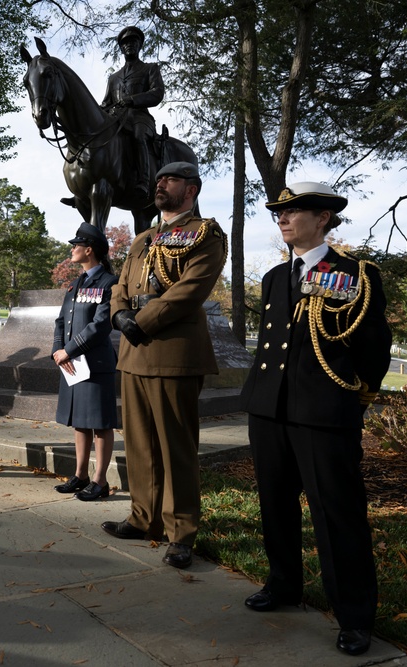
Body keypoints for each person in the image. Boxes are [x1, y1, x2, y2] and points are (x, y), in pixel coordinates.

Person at [240, 182, 391, 656]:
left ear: (323, 217)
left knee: (338, 514)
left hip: (324, 412)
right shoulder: (272, 278)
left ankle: (353, 614)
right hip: (270, 409)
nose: (282, 219)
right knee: (275, 504)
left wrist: (355, 399)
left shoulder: (355, 274)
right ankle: (284, 584)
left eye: (293, 211)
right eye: (278, 213)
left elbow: (373, 347)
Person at [104, 162, 227, 570]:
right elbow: (120, 284)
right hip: (134, 349)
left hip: (173, 349)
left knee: (176, 448)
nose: (159, 183)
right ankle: (144, 518)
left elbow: (190, 290)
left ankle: (181, 533)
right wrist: (119, 315)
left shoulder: (206, 234)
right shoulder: (144, 236)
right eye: (157, 178)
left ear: (190, 189)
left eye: (169, 179)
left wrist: (140, 322)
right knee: (139, 444)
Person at [52, 223, 119, 501]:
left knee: (100, 423)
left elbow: (100, 325)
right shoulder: (75, 283)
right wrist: (58, 350)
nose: (72, 249)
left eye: (76, 245)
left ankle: (100, 481)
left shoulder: (109, 283)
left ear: (89, 250)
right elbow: (61, 320)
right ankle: (80, 476)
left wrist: (69, 350)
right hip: (71, 364)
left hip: (94, 363)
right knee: (81, 422)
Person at [100, 26, 164, 199]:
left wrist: (132, 100)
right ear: (121, 48)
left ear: (139, 45)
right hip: (117, 120)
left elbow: (157, 93)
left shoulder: (150, 68)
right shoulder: (113, 78)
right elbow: (106, 103)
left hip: (140, 118)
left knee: (138, 136)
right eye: (125, 43)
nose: (129, 45)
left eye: (133, 42)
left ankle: (144, 181)